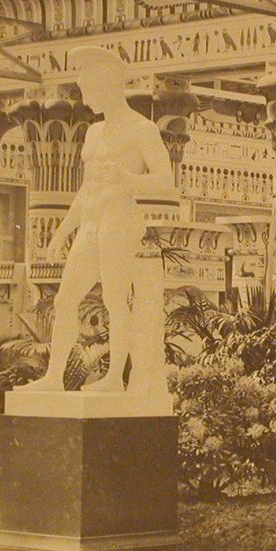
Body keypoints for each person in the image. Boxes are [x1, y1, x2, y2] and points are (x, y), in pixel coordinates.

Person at [19, 46, 174, 394]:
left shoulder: (141, 129)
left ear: (108, 87)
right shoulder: (93, 132)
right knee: (65, 299)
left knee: (115, 299)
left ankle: (114, 378)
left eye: (89, 92)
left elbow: (165, 179)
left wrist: (127, 178)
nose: (86, 101)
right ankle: (54, 378)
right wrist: (62, 230)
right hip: (90, 221)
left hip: (119, 220)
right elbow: (86, 189)